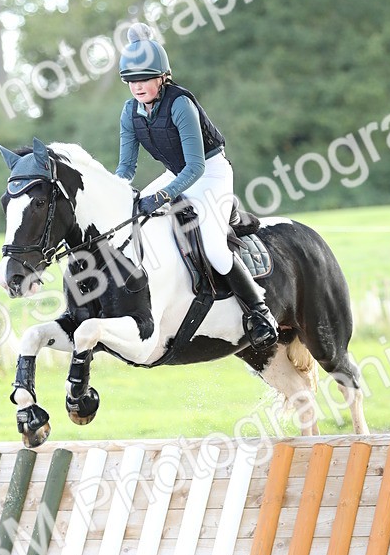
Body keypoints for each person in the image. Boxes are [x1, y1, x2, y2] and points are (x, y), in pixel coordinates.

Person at [115, 22, 279, 350]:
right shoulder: (129, 112)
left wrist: (162, 195)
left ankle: (259, 312)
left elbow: (197, 166)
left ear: (163, 77)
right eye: (131, 80)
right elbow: (126, 168)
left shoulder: (180, 104)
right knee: (132, 218)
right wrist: (116, 192)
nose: (138, 86)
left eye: (145, 78)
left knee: (215, 249)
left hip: (210, 173)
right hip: (175, 172)